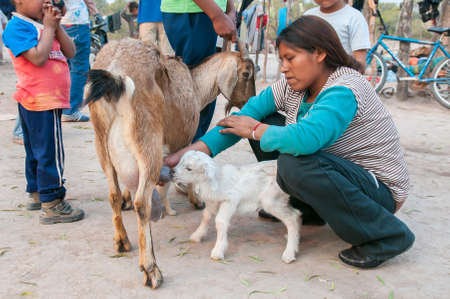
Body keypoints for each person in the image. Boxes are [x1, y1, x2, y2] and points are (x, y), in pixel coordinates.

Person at [164, 16, 415, 269]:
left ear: (319, 53)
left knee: (290, 160)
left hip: (378, 191)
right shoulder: (292, 86)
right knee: (265, 123)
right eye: (282, 59)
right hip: (339, 175)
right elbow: (241, 120)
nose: (283, 67)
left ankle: (387, 235)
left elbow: (305, 140)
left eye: (290, 58)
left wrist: (254, 129)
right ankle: (307, 210)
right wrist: (182, 156)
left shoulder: (344, 89)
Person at [2, 0, 84, 224]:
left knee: (38, 150)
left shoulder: (42, 25)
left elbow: (71, 51)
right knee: (49, 152)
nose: (47, 2)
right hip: (39, 100)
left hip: (48, 100)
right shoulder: (16, 27)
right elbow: (38, 58)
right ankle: (53, 202)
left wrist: (55, 26)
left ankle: (38, 191)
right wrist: (48, 28)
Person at [161, 0, 237, 141]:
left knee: (206, 93)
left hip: (209, 11)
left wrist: (230, 9)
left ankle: (191, 150)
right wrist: (217, 16)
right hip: (194, 10)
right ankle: (186, 154)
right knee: (195, 92)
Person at [60, 0, 101, 122]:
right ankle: (71, 110)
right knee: (79, 68)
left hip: (62, 22)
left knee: (65, 66)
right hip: (76, 22)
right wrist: (96, 13)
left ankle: (61, 107)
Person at [304, 0, 370, 72]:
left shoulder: (355, 18)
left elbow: (360, 63)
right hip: (311, 78)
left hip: (342, 79)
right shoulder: (308, 16)